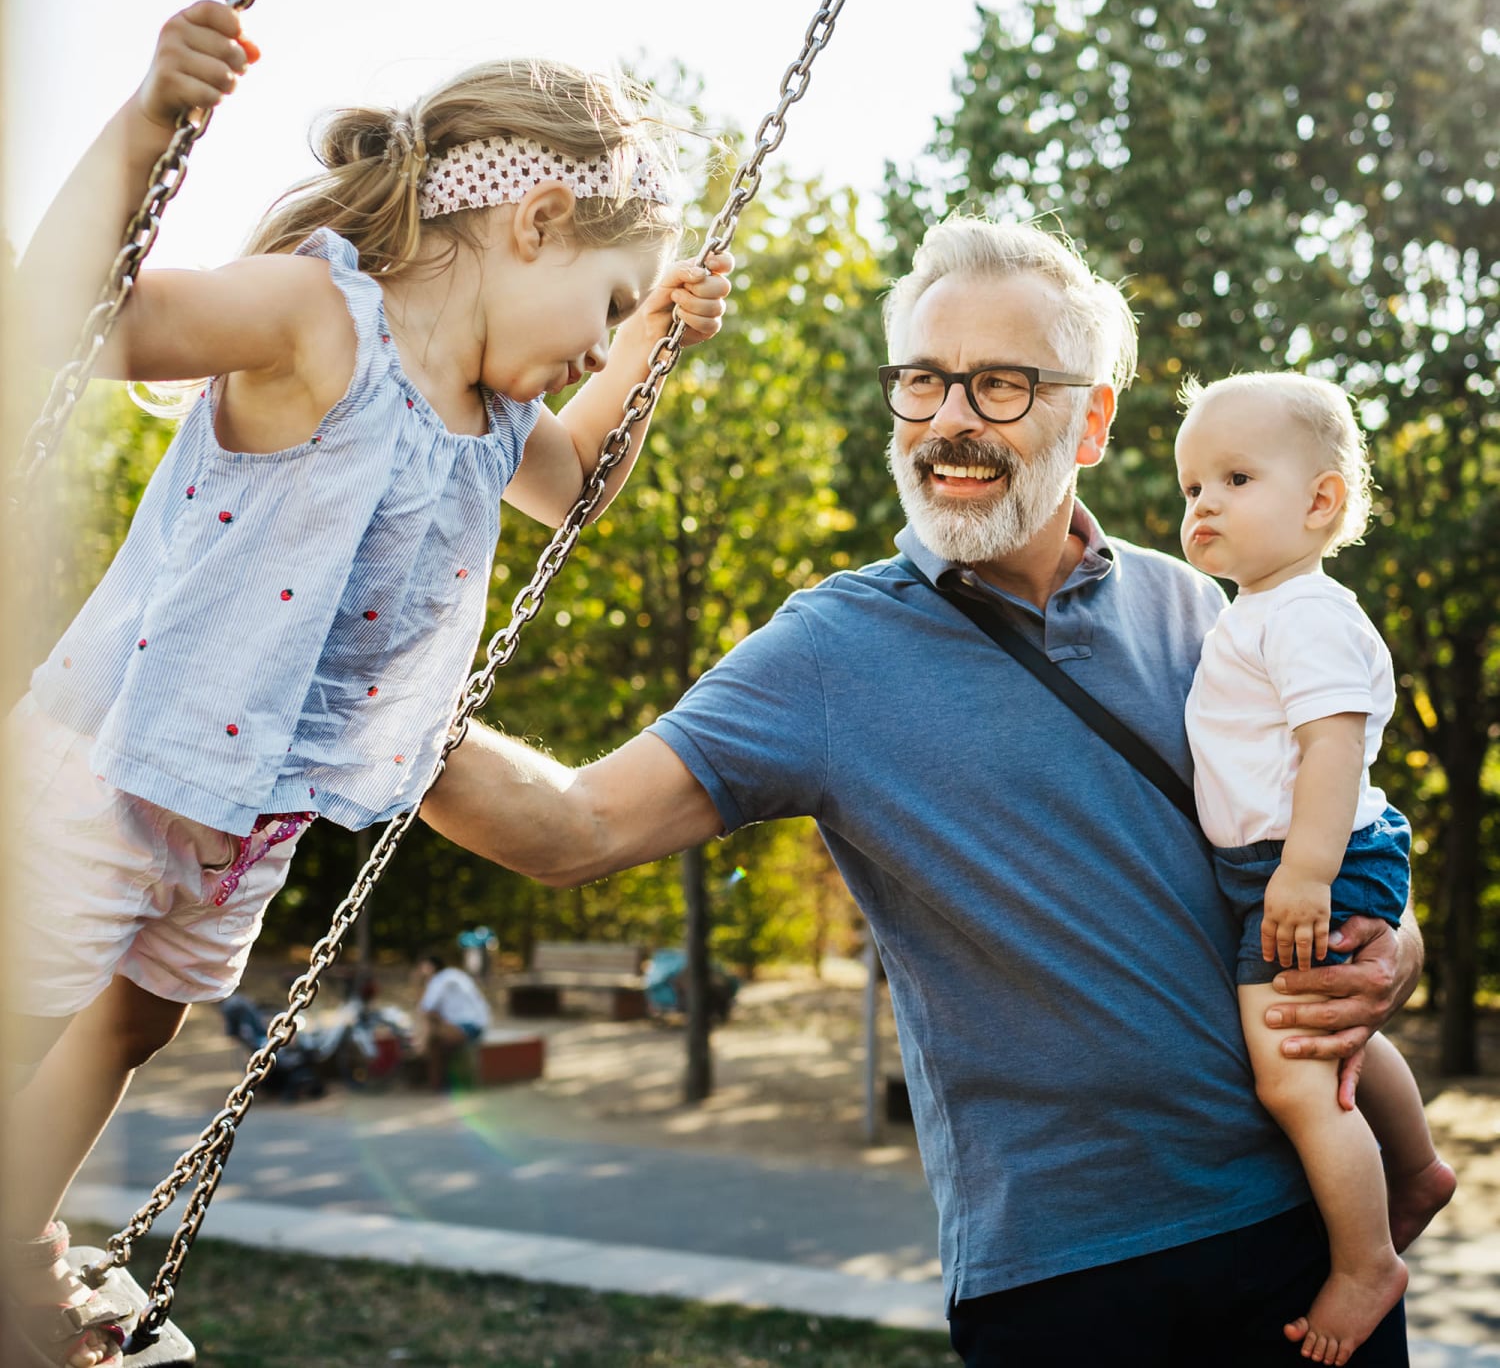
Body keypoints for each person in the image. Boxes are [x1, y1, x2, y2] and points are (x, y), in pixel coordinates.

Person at [420, 215, 1430, 1368]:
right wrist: (381, 707)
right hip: (1060, 1274)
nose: (951, 418)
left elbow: (1350, 833)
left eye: (1001, 385)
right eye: (924, 383)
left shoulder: (1209, 610)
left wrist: (1396, 943)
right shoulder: (828, 652)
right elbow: (574, 827)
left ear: (1091, 420)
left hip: (1303, 1230)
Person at [1, 0, 731, 1368]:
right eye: (609, 299)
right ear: (537, 218)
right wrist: (151, 119)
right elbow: (86, 316)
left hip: (254, 806)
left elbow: (579, 485)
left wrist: (648, 352)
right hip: (110, 760)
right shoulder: (317, 317)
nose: (600, 338)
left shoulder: (496, 423)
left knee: (138, 1022)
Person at [1175, 373, 1455, 1365]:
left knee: (1291, 1077)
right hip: (1291, 862)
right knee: (1328, 1042)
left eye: (1234, 478)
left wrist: (1302, 873)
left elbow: (1333, 747)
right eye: (1193, 485)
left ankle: (1366, 1260)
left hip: (1307, 862)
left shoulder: (1306, 613)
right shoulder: (1254, 611)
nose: (1201, 503)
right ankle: (1415, 1168)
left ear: (1322, 502)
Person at [413, 953, 491, 1090]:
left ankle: (421, 1053)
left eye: (422, 967)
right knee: (434, 1026)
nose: (420, 970)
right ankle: (423, 1053)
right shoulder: (454, 974)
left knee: (432, 1033)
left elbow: (425, 1008)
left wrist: (417, 982)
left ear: (430, 967)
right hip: (479, 1024)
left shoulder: (440, 980)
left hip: (467, 1027)